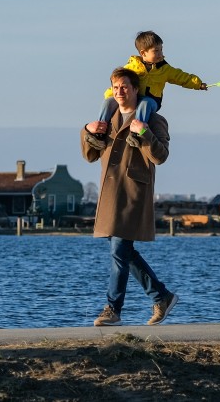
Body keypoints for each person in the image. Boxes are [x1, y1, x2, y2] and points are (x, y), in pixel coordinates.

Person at [81, 66, 179, 327]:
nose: (119, 91)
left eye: (124, 86)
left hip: (134, 192)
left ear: (136, 89)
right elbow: (90, 155)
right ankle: (162, 297)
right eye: (115, 87)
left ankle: (113, 309)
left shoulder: (154, 119)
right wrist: (87, 131)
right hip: (110, 192)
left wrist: (144, 133)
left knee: (119, 251)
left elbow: (161, 156)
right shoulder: (108, 115)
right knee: (122, 252)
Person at [93, 31, 206, 147]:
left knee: (144, 103)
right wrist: (110, 94)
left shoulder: (164, 69)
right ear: (143, 53)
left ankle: (135, 134)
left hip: (152, 100)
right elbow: (119, 82)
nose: (160, 54)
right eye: (156, 51)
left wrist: (198, 84)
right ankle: (99, 133)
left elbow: (181, 77)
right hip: (132, 98)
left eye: (161, 50)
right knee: (108, 102)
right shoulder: (132, 67)